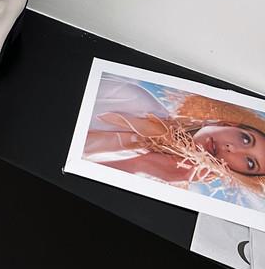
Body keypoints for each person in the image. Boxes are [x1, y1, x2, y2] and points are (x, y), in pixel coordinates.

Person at [85, 74, 265, 194]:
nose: (232, 148)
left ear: (235, 172)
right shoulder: (132, 97)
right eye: (245, 139)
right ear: (227, 124)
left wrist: (142, 165)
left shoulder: (163, 188)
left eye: (250, 162)